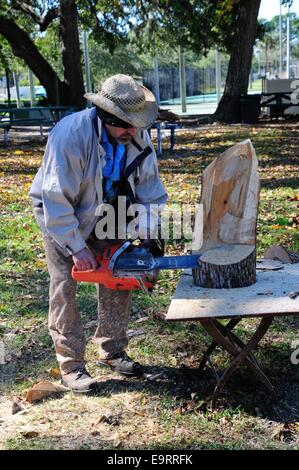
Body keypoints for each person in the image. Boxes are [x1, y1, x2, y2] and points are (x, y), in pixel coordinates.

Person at [29, 74, 167, 393]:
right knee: (65, 282)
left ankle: (112, 349)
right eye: (126, 123)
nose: (133, 129)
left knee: (120, 272)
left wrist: (144, 237)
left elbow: (150, 191)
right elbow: (55, 200)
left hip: (108, 207)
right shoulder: (71, 136)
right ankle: (72, 364)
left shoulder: (136, 136)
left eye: (136, 122)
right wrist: (77, 247)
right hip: (60, 211)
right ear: (106, 115)